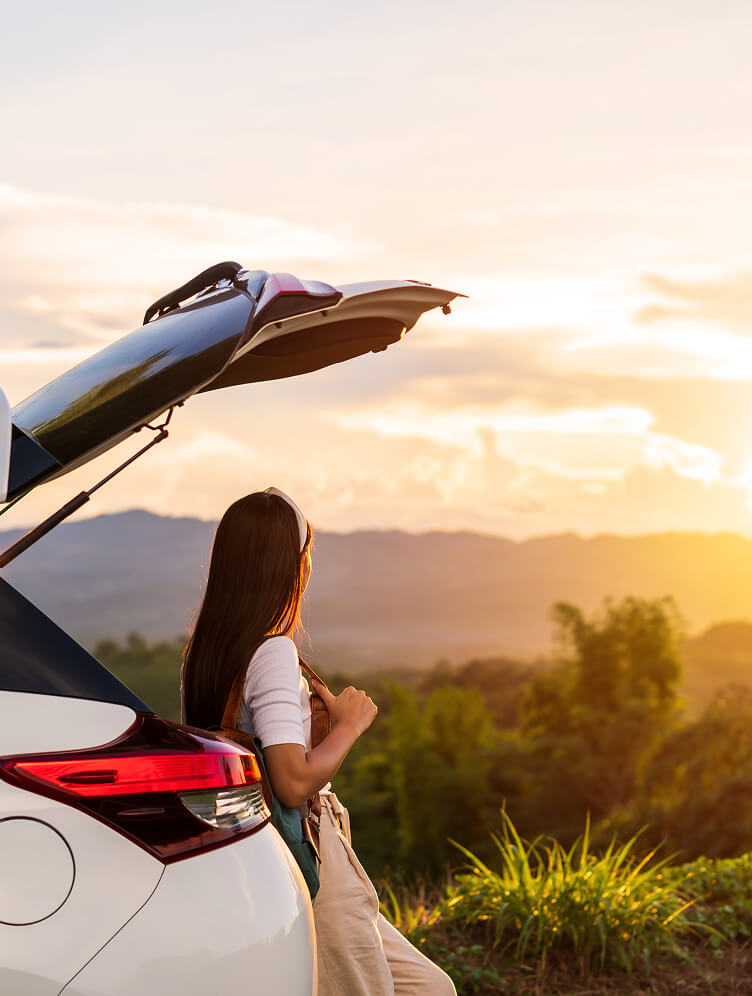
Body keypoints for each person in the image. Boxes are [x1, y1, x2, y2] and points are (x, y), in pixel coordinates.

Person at [181, 488, 456, 996]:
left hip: (262, 855)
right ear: (289, 565)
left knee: (430, 987)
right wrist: (350, 725)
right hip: (310, 855)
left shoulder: (207, 654)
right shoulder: (273, 652)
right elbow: (291, 783)